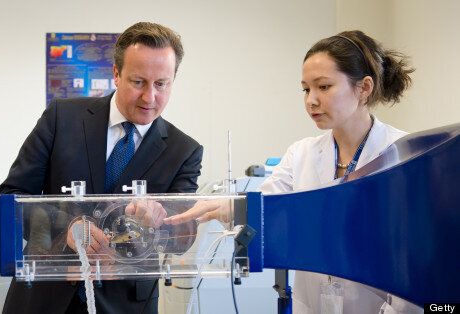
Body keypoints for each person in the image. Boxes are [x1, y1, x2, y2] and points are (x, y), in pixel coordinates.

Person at [165, 31, 422, 313]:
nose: (311, 100)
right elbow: (264, 207)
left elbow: (415, 255)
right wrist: (218, 207)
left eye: (323, 87)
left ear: (364, 88)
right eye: (306, 89)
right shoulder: (302, 154)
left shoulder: (403, 154)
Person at [0, 22, 203, 314]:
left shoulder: (184, 150)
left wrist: (160, 219)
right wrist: (65, 227)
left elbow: (183, 234)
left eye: (161, 84)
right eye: (138, 82)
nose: (150, 97)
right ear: (117, 74)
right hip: (44, 296)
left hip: (125, 303)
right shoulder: (62, 118)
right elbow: (13, 196)